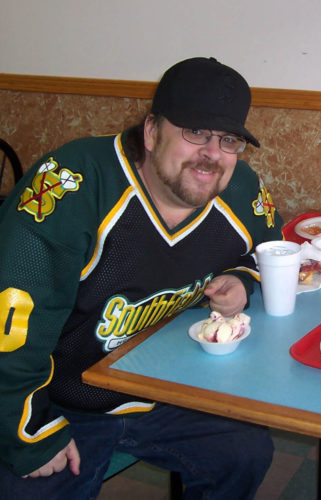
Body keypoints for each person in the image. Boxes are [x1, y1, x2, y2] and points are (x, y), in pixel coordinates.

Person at [0, 57, 283, 499]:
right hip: (62, 401)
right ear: (151, 132)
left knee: (244, 452)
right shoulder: (73, 185)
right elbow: (11, 326)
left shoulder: (242, 190)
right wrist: (30, 432)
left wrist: (242, 281)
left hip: (172, 394)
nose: (212, 154)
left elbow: (269, 249)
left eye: (229, 140)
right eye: (195, 133)